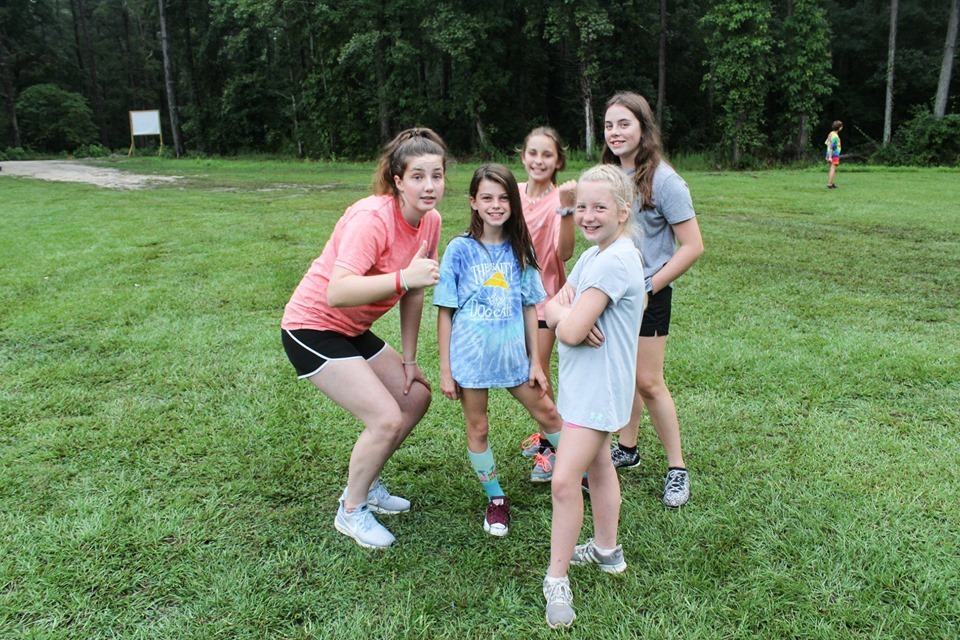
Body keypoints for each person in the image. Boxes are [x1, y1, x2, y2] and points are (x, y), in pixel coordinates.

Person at [280, 127, 447, 549]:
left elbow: (414, 290)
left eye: (437, 176)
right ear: (397, 181)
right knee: (386, 417)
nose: (429, 186)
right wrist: (402, 277)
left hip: (352, 329)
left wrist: (409, 360)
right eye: (418, 176)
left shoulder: (430, 222)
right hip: (311, 327)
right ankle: (351, 510)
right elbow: (338, 292)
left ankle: (368, 482)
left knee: (415, 397)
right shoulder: (372, 219)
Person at [542, 165, 646, 628]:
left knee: (565, 482)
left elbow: (567, 326)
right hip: (593, 389)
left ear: (623, 211)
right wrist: (565, 318)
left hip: (598, 393)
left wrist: (567, 320)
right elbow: (551, 307)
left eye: (599, 207)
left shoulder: (611, 261)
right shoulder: (595, 255)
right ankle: (607, 550)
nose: (586, 215)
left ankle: (556, 579)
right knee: (600, 466)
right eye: (581, 206)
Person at [435, 163, 563, 537]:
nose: (496, 205)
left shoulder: (520, 249)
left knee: (548, 412)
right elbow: (445, 311)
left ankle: (580, 472)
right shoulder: (459, 250)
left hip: (514, 358)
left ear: (514, 202)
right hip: (470, 359)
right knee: (479, 426)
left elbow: (529, 307)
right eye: (487, 197)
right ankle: (495, 499)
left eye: (504, 197)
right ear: (473, 202)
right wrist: (446, 369)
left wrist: (536, 361)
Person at [601, 91, 704, 508]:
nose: (615, 132)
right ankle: (627, 448)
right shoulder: (607, 174)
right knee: (623, 376)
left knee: (648, 381)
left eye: (624, 123)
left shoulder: (663, 179)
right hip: (613, 294)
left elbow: (693, 245)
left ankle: (677, 468)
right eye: (608, 125)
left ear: (643, 127)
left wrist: (649, 287)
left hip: (648, 295)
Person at [515, 127, 577, 482]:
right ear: (523, 157)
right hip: (510, 297)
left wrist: (567, 209)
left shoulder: (560, 200)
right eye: (533, 153)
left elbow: (564, 253)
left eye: (547, 155)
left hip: (544, 297)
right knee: (526, 370)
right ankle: (547, 434)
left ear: (558, 161)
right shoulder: (514, 194)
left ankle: (557, 449)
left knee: (537, 375)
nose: (539, 161)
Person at [825, 120, 843, 189]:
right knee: (833, 168)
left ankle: (831, 183)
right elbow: (832, 147)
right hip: (833, 154)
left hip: (829, 153)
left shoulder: (831, 133)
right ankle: (829, 184)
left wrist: (828, 154)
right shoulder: (835, 136)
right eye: (841, 126)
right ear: (839, 128)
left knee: (831, 168)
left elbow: (827, 144)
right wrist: (830, 157)